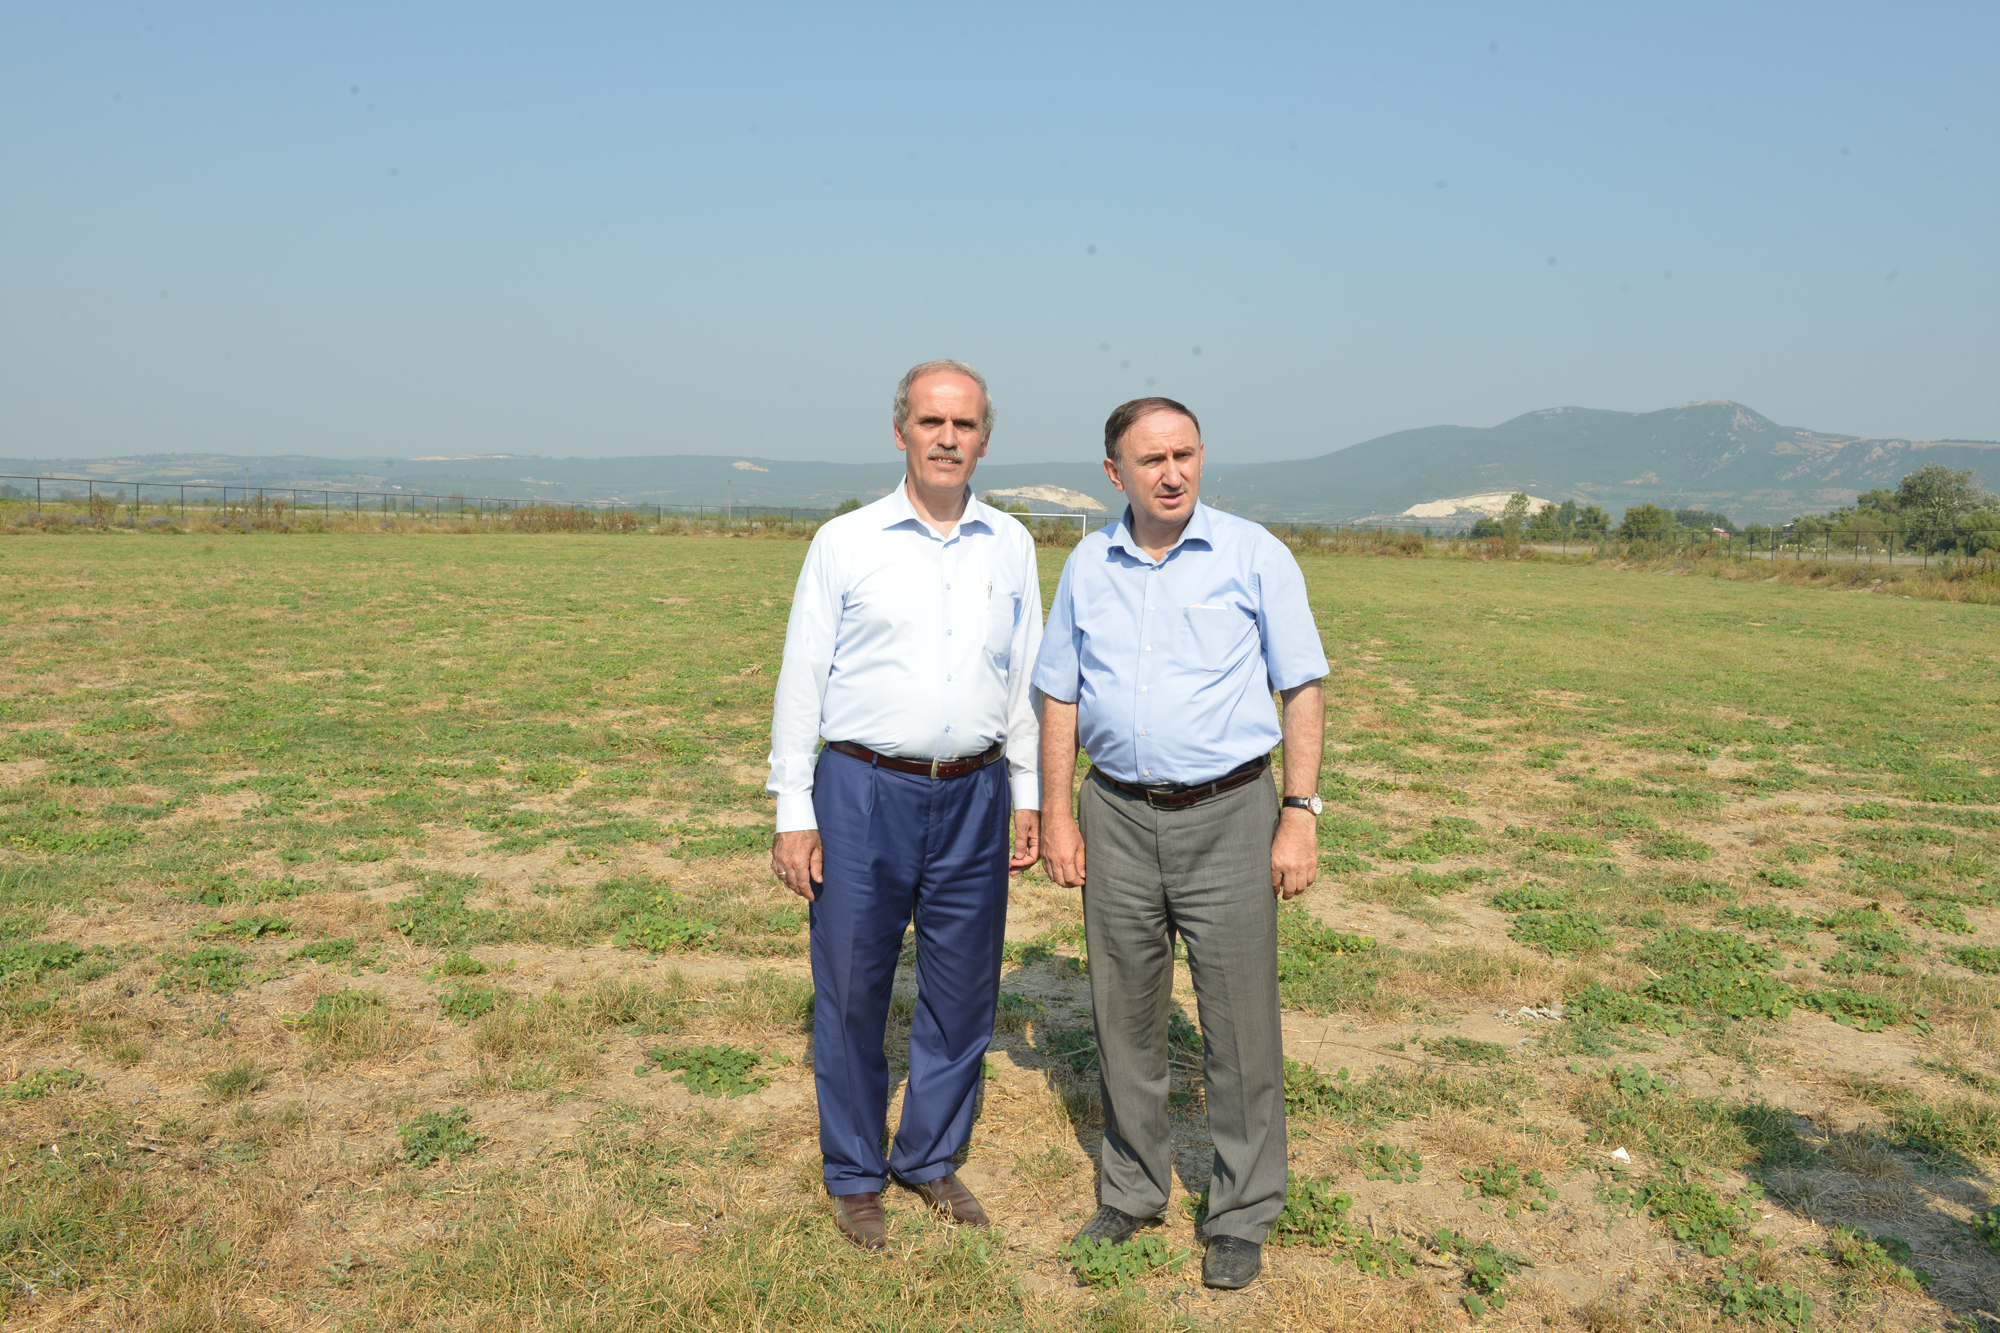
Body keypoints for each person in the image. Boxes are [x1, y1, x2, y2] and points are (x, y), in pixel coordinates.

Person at [1033, 396, 1328, 1290]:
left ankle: (1240, 1211)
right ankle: (1132, 1189)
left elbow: (1302, 686)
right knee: (1123, 1016)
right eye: (1151, 459)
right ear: (1114, 473)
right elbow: (1059, 694)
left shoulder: (1254, 554)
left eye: (1185, 454)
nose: (1172, 473)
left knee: (1241, 1025)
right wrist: (1058, 815)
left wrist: (1299, 811)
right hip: (1116, 815)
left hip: (1230, 812)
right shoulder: (1088, 564)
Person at [767, 359, 1044, 1252]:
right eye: (931, 421)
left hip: (975, 792)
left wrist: (1029, 791)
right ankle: (854, 1172)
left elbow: (1026, 678)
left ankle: (928, 1154)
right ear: (901, 432)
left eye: (964, 425)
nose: (947, 438)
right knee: (853, 986)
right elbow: (801, 678)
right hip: (861, 790)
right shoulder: (845, 541)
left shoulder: (1011, 544)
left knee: (964, 989)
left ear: (985, 440)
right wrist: (793, 807)